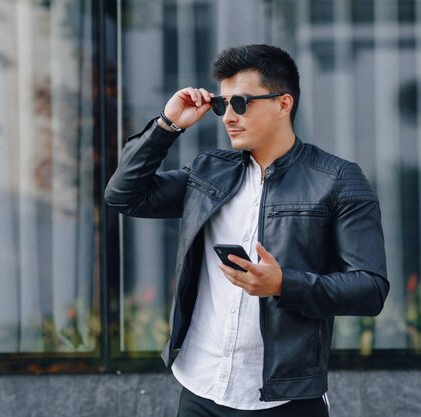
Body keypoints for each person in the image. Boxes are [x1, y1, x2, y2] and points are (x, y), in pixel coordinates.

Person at [105, 44, 389, 417]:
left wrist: (284, 284)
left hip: (284, 397)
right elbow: (124, 196)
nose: (227, 117)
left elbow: (370, 288)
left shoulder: (337, 179)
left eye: (241, 103)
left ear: (283, 104)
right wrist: (167, 125)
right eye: (222, 105)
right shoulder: (209, 172)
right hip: (200, 386)